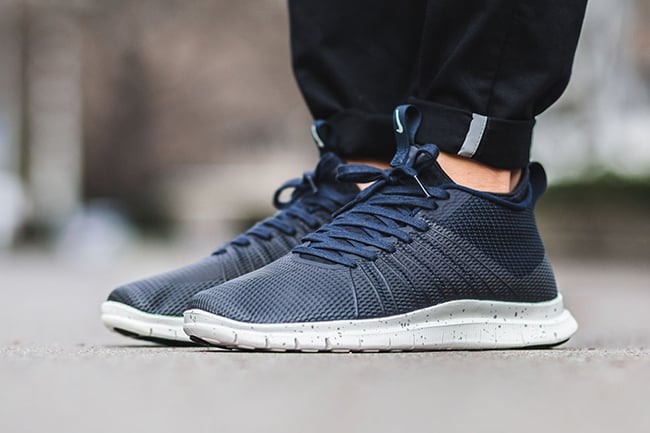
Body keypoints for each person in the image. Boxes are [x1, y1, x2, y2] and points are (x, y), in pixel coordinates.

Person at [103, 0, 588, 350]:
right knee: (359, 115)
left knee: (472, 119)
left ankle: (472, 180)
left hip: (478, 175)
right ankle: (365, 180)